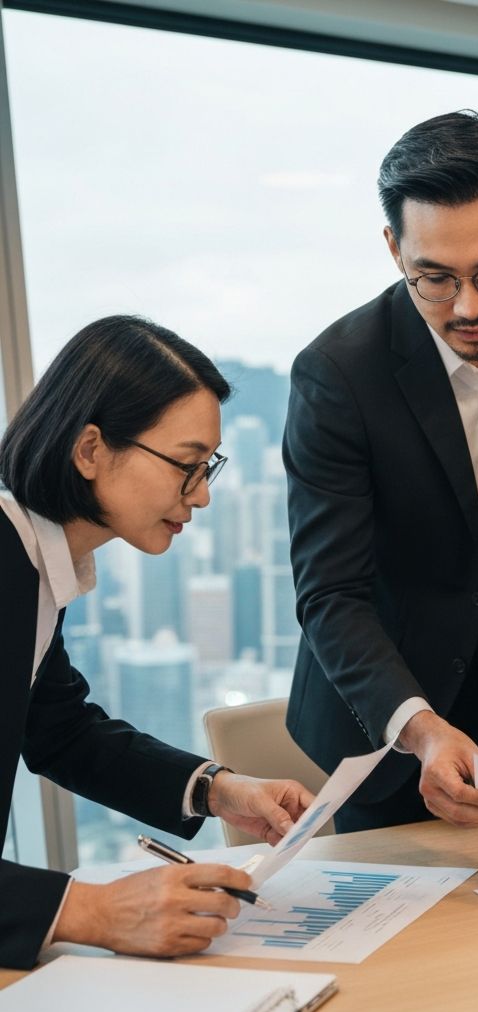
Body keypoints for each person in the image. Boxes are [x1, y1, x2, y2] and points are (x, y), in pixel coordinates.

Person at [284, 110, 478, 832]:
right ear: (395, 250)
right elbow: (332, 594)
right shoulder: (338, 376)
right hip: (389, 714)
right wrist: (421, 729)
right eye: (435, 277)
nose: (469, 307)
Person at [0, 315, 315, 970]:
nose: (199, 496)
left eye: (208, 468)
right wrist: (91, 910)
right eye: (185, 465)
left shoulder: (30, 565)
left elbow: (59, 733)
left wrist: (217, 789)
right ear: (90, 451)